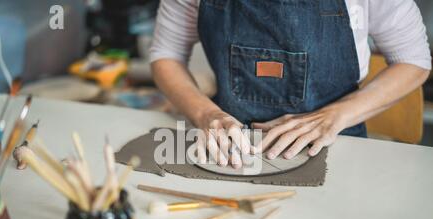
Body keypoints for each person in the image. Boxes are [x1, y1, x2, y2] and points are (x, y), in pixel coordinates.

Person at [151, 0, 431, 168]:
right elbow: (166, 54)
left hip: (336, 144)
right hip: (230, 149)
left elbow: (413, 60)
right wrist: (206, 114)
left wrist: (332, 117)